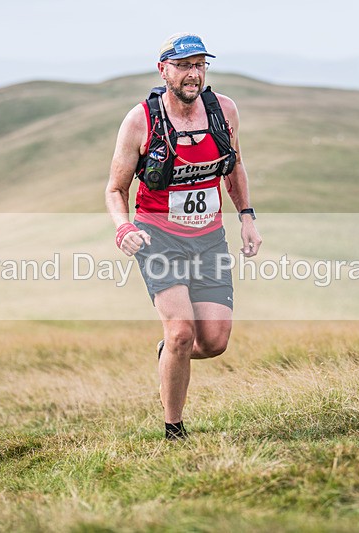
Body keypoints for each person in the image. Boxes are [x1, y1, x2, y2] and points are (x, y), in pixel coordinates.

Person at [105, 33, 261, 440]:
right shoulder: (141, 120)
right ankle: (173, 428)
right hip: (159, 237)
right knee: (180, 331)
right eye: (184, 66)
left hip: (209, 239)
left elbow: (234, 167)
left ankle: (168, 355)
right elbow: (115, 189)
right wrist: (124, 227)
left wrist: (246, 217)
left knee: (213, 341)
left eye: (199, 65)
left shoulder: (224, 111)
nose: (193, 74)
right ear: (164, 70)